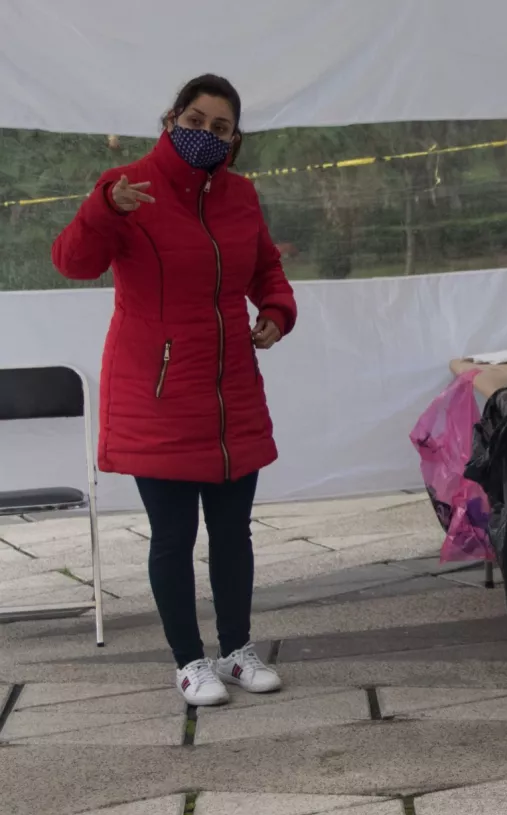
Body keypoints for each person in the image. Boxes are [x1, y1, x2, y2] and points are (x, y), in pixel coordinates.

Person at [52, 74, 296, 707]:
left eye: (220, 127)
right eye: (195, 119)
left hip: (230, 389)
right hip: (157, 393)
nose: (205, 134)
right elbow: (73, 262)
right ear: (170, 119)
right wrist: (103, 209)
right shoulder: (128, 187)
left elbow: (266, 265)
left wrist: (274, 308)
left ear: (234, 138)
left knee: (234, 531)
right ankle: (189, 662)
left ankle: (237, 649)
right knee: (172, 537)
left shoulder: (241, 195)